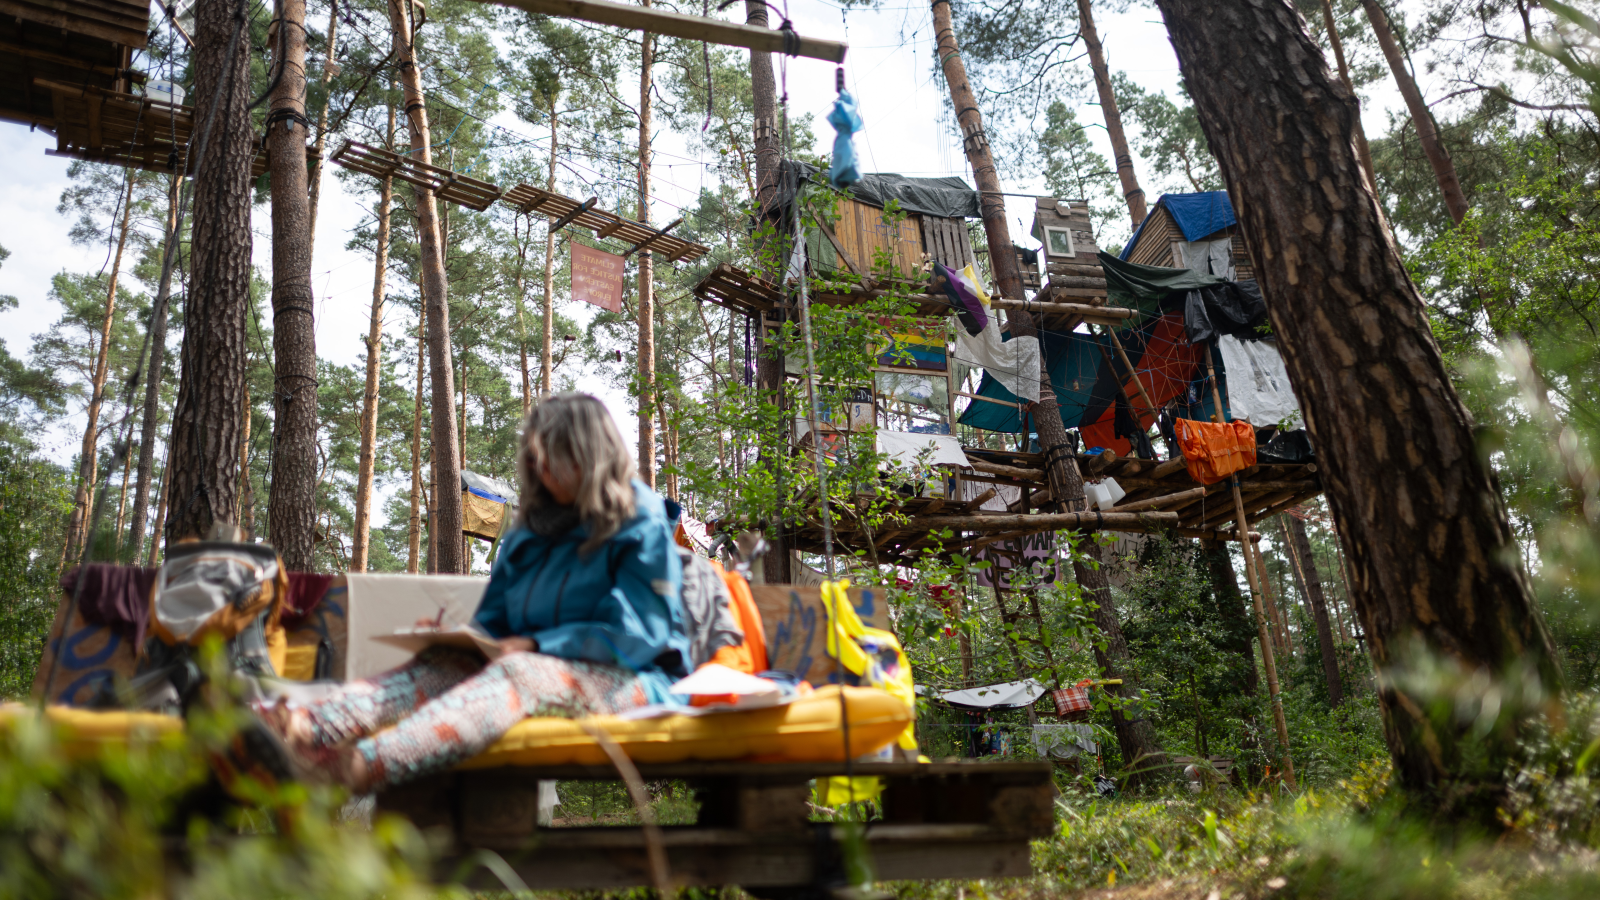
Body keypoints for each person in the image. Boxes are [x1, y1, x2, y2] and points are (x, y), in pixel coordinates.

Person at [259, 393, 689, 791]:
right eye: (536, 460)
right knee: (439, 667)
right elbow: (496, 622)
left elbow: (640, 634)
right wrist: (461, 638)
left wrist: (537, 645)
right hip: (533, 666)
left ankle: (355, 769)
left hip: (636, 679)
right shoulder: (531, 530)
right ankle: (296, 728)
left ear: (589, 456)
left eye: (554, 461)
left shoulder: (640, 521)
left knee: (521, 672)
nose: (543, 473)